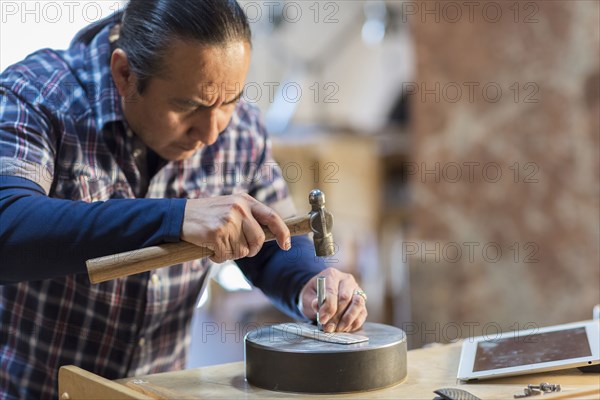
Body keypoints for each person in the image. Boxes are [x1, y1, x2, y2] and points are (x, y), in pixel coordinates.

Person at [0, 1, 368, 398]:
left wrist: (308, 281)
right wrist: (174, 218)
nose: (212, 133)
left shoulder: (239, 128)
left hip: (155, 389)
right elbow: (9, 228)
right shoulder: (37, 96)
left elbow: (271, 238)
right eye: (188, 105)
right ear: (125, 74)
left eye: (229, 100)